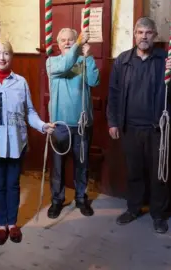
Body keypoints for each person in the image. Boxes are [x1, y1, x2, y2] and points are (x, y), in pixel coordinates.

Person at [0, 38, 55, 245]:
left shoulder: (21, 82)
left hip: (17, 143)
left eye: (6, 53)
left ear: (12, 56)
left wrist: (42, 125)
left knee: (13, 184)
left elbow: (30, 112)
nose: (2, 57)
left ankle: (12, 224)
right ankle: (1, 225)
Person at [106, 17, 171, 233]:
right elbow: (113, 92)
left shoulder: (166, 60)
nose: (144, 36)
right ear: (134, 34)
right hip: (130, 127)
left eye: (148, 32)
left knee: (159, 174)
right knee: (134, 171)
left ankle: (158, 214)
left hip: (156, 128)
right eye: (140, 32)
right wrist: (112, 121)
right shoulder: (123, 61)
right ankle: (133, 209)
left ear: (155, 36)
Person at [45, 28, 100, 219]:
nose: (67, 43)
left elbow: (94, 81)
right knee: (58, 166)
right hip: (60, 125)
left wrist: (89, 57)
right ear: (58, 44)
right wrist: (79, 44)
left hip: (82, 123)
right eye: (64, 40)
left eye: (71, 39)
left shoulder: (83, 61)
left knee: (82, 164)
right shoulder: (52, 62)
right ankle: (57, 201)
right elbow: (66, 64)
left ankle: (81, 198)